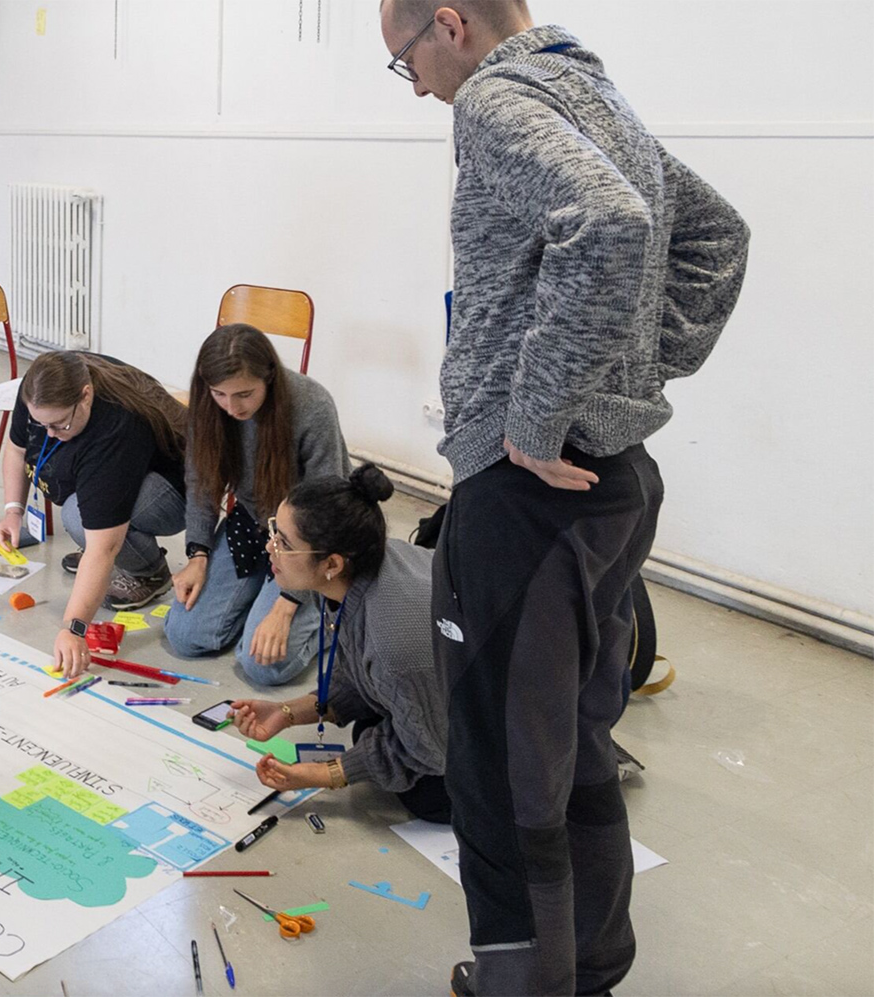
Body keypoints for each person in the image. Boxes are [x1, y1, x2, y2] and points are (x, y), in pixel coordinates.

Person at [377, 3, 750, 995]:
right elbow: (717, 236)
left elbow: (615, 221)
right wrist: (636, 374)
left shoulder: (499, 97)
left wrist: (539, 420)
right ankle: (590, 963)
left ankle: (524, 982)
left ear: (447, 24)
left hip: (532, 497)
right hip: (616, 481)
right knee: (574, 738)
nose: (413, 84)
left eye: (403, 59)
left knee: (500, 766)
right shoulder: (594, 90)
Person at [228, 465, 449, 822]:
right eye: (274, 530)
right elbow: (360, 675)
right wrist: (288, 713)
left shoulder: (392, 645)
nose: (269, 547)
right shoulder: (350, 573)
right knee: (369, 732)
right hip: (440, 685)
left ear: (331, 563)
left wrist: (320, 775)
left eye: (284, 543)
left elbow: (433, 750)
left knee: (427, 798)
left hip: (506, 728)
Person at [164, 324, 350, 686]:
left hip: (308, 540)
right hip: (254, 524)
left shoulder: (312, 405)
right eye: (220, 394)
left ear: (269, 377)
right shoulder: (209, 405)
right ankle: (257, 600)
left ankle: (339, 614)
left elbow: (327, 511)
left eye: (244, 394)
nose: (231, 408)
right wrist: (198, 555)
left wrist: (287, 603)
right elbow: (200, 481)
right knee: (185, 636)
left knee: (264, 665)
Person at [0, 351, 187, 677]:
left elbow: (104, 548)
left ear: (86, 396)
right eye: (42, 424)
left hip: (176, 489)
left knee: (79, 516)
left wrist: (74, 628)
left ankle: (149, 572)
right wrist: (13, 512)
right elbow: (16, 447)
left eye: (59, 424)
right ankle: (121, 550)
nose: (50, 433)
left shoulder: (116, 427)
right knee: (87, 511)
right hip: (125, 471)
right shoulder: (38, 389)